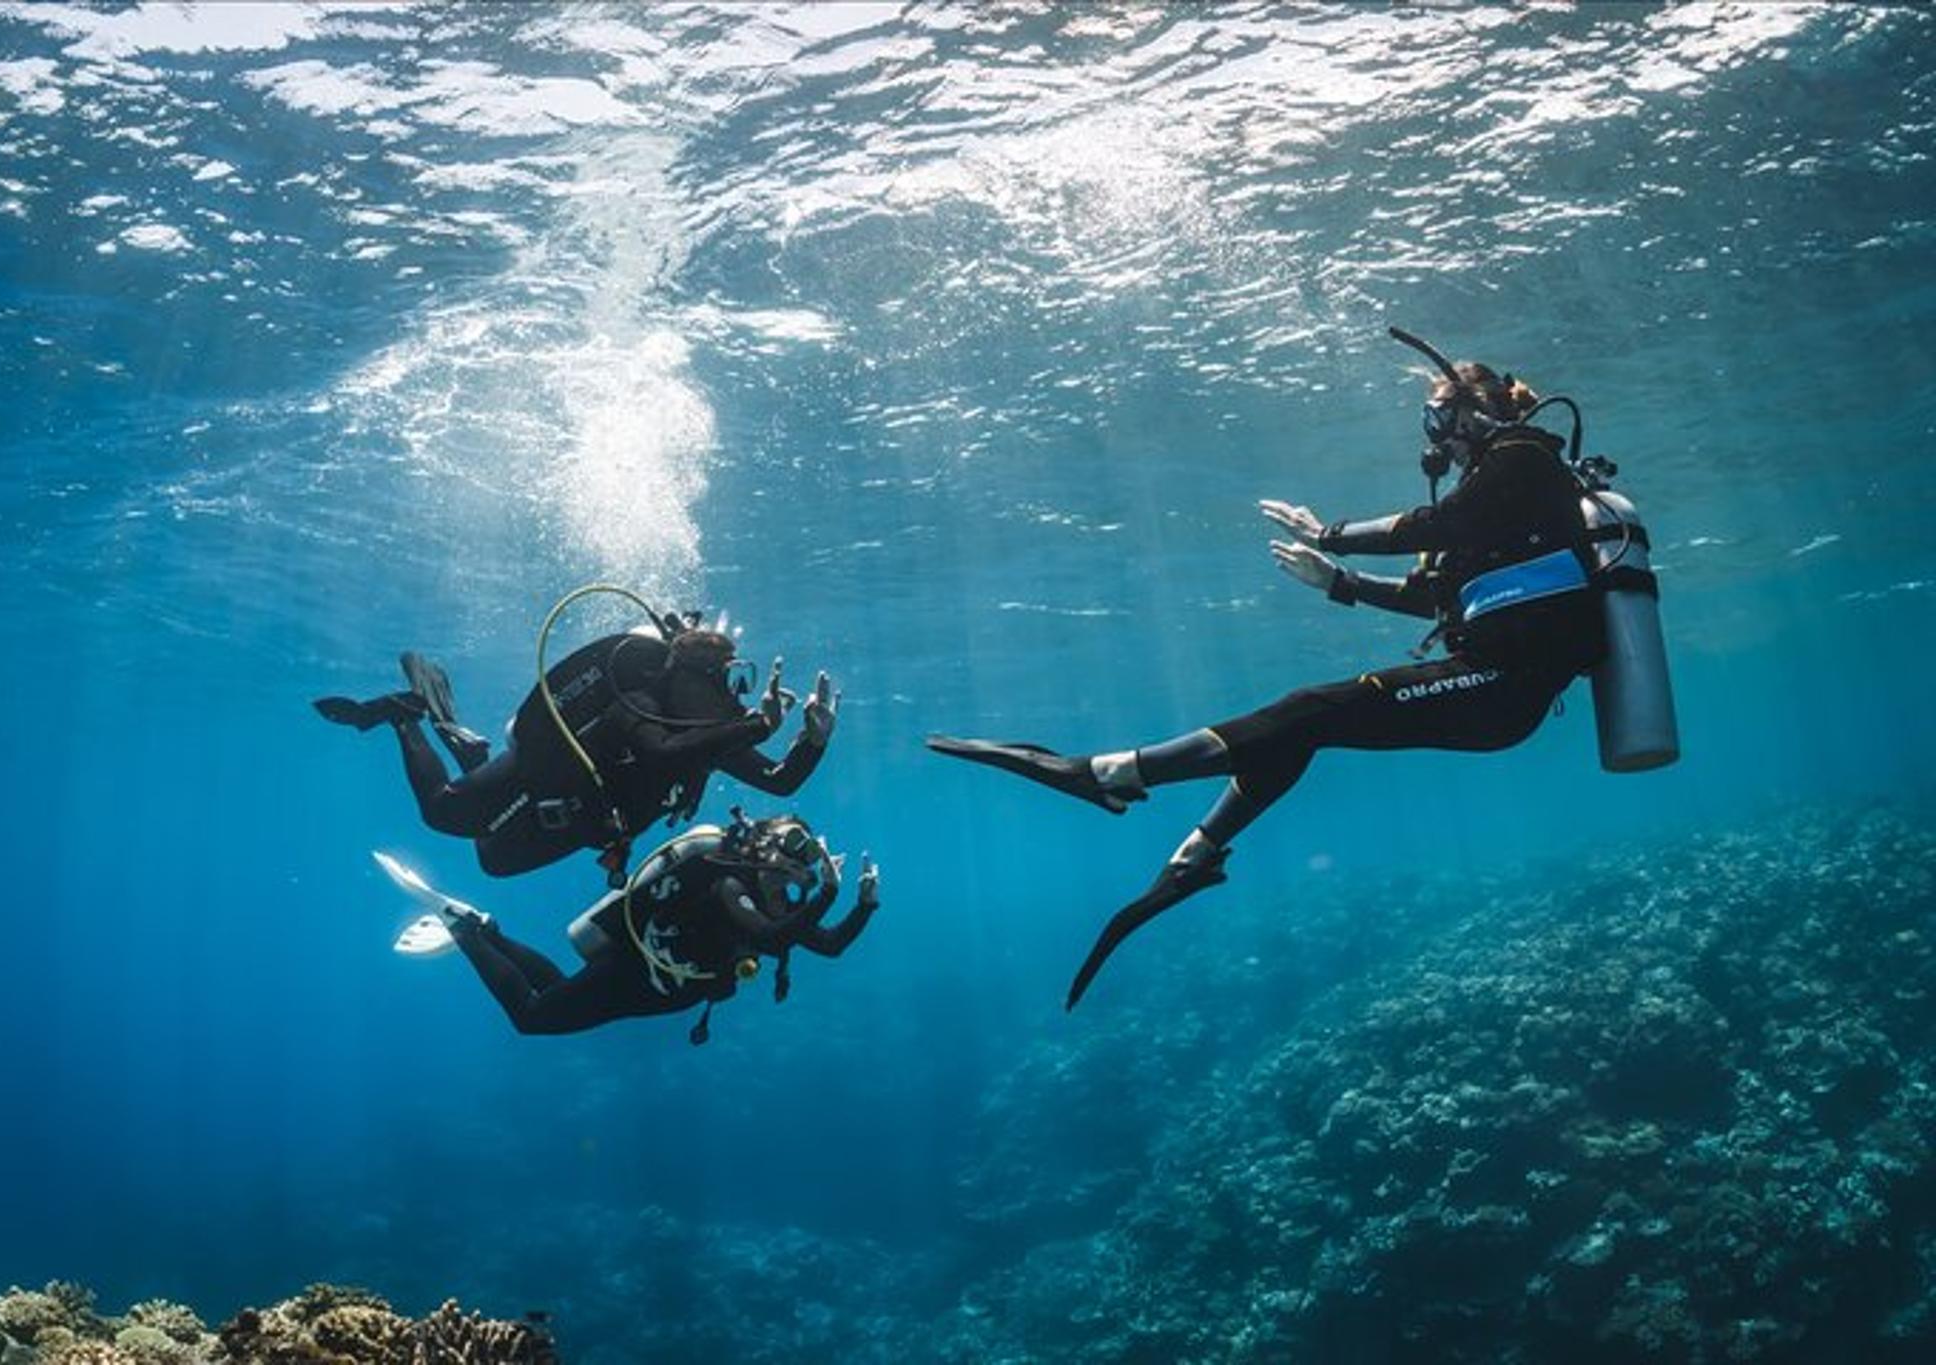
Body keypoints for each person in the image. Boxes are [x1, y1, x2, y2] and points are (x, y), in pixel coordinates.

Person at [929, 333, 1614, 1009]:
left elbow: (1433, 523)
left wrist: (1330, 532)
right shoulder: (1495, 497)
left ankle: (1106, 772)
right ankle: (1191, 859)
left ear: (1475, 411)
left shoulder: (1523, 456)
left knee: (1311, 708)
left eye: (1439, 417)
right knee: (1301, 728)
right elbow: (1429, 596)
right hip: (1489, 684)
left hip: (1505, 687)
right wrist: (1339, 582)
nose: (1436, 435)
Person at [316, 627, 836, 881]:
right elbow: (658, 751)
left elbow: (780, 780)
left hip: (583, 818)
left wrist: (812, 740)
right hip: (541, 777)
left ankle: (472, 751)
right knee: (442, 813)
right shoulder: (640, 702)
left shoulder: (705, 729)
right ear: (688, 677)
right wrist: (751, 725)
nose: (732, 697)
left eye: (736, 686)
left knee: (493, 860)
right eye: (725, 682)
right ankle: (405, 718)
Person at [385, 813, 882, 1043]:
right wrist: (829, 895)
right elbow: (775, 938)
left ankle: (487, 931)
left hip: (651, 988)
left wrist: (863, 905)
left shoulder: (776, 912)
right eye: (793, 844)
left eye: (807, 853)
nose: (801, 860)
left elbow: (830, 944)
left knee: (556, 992)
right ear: (763, 847)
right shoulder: (730, 888)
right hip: (633, 974)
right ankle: (468, 932)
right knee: (532, 1017)